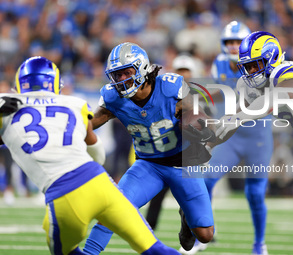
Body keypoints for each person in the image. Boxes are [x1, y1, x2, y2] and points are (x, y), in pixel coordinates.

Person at [0, 56, 181, 255]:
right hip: (101, 184)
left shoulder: (4, 108)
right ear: (55, 83)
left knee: (66, 250)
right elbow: (98, 154)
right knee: (154, 249)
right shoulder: (73, 104)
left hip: (64, 195)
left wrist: (10, 133)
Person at [83, 42, 215, 255]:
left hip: (183, 164)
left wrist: (196, 123)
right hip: (148, 165)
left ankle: (186, 218)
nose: (122, 80)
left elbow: (199, 116)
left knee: (205, 234)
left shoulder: (171, 88)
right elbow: (90, 123)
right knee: (113, 210)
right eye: (117, 75)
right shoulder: (113, 98)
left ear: (142, 68)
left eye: (127, 72)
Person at [215, 31, 293, 224]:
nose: (251, 71)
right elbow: (232, 119)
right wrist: (208, 141)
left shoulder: (287, 71)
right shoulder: (248, 86)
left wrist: (237, 118)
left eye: (256, 64)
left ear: (272, 57)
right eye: (247, 66)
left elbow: (277, 96)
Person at [196, 21, 272, 255]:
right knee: (207, 180)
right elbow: (223, 93)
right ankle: (206, 232)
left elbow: (259, 101)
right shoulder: (220, 64)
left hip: (257, 137)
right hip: (231, 137)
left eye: (237, 42)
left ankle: (260, 243)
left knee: (255, 193)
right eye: (229, 42)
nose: (232, 46)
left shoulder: (262, 66)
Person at [145, 54, 201, 231]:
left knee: (192, 196)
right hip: (164, 151)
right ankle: (149, 229)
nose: (183, 74)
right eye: (180, 70)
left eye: (186, 70)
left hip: (188, 153)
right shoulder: (164, 93)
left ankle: (195, 229)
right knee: (157, 195)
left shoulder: (199, 94)